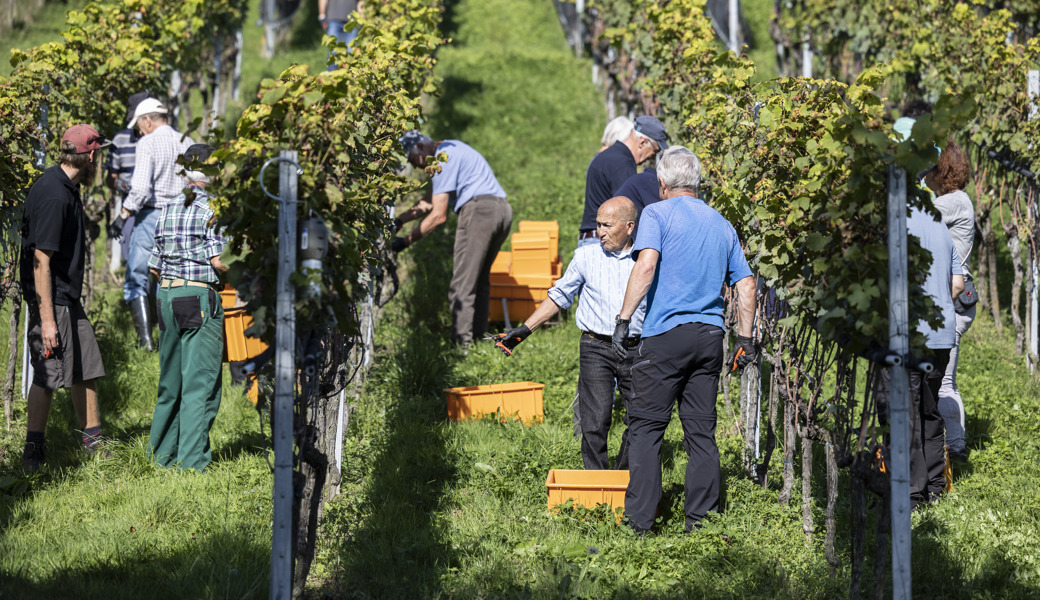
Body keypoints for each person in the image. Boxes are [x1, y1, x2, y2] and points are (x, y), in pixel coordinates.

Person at [614, 146, 756, 533]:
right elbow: (745, 283)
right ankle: (702, 520)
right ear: (698, 183)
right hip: (710, 337)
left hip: (665, 338)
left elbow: (646, 265)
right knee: (700, 432)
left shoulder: (657, 214)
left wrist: (623, 320)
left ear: (661, 183)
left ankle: (640, 522)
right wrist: (746, 339)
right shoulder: (721, 223)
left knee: (645, 428)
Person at [496, 197, 647, 470]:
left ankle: (624, 478)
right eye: (598, 224)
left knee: (639, 418)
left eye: (607, 226)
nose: (599, 232)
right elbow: (559, 296)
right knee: (595, 418)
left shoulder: (646, 260)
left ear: (629, 227)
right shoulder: (586, 256)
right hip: (595, 346)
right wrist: (525, 330)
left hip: (635, 348)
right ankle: (596, 481)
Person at [18, 125, 111, 470]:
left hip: (65, 297)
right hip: (51, 298)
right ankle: (33, 453)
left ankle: (93, 443)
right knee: (48, 373)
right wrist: (47, 321)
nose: (97, 161)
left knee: (85, 365)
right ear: (89, 156)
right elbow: (41, 260)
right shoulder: (56, 194)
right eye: (97, 154)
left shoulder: (65, 186)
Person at [875, 206, 963, 508]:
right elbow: (957, 285)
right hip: (941, 334)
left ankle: (912, 493)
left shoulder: (891, 221)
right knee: (929, 409)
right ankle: (935, 486)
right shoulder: (940, 224)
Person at [147, 144, 227, 471]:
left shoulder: (166, 208)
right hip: (197, 297)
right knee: (200, 383)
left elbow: (153, 266)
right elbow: (220, 262)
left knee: (170, 383)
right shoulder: (212, 211)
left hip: (165, 296)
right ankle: (191, 464)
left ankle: (160, 456)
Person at [393, 131, 513, 348]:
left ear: (420, 147)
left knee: (461, 285)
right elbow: (429, 201)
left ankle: (461, 347)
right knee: (479, 281)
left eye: (413, 160)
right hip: (502, 211)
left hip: (480, 213)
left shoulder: (442, 158)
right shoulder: (452, 148)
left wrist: (404, 242)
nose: (418, 167)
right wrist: (399, 221)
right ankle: (477, 341)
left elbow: (438, 215)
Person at [109, 98, 195, 352]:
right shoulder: (186, 141)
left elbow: (141, 189)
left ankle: (146, 343)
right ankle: (172, 339)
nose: (138, 131)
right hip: (179, 217)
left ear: (147, 119)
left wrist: (123, 215)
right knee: (170, 278)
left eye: (138, 125)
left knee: (137, 277)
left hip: (151, 217)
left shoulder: (147, 143)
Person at [924, 141, 974, 462]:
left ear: (941, 171)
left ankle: (955, 448)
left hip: (953, 297)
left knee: (943, 382)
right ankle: (954, 442)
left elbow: (916, 213)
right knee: (946, 379)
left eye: (929, 167)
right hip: (954, 294)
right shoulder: (954, 200)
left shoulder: (954, 202)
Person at [579, 115, 667, 247]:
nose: (652, 157)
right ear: (643, 142)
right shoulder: (623, 165)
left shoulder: (609, 155)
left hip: (592, 237)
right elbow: (626, 210)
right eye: (654, 151)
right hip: (602, 241)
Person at [105, 91, 155, 276]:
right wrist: (122, 186)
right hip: (130, 205)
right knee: (131, 257)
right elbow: (111, 178)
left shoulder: (161, 140)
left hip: (156, 205)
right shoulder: (120, 140)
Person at [319, 0, 363, 66]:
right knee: (333, 51)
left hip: (351, 21)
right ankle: (332, 74)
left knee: (351, 51)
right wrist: (322, 15)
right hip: (333, 19)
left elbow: (360, 2)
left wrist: (361, 18)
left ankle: (350, 74)